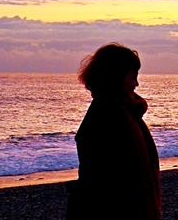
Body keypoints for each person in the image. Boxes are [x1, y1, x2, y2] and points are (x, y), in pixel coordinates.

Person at [67, 43, 161, 220]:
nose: (136, 84)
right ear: (116, 77)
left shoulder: (124, 111)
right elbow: (107, 183)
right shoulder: (108, 115)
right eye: (133, 77)